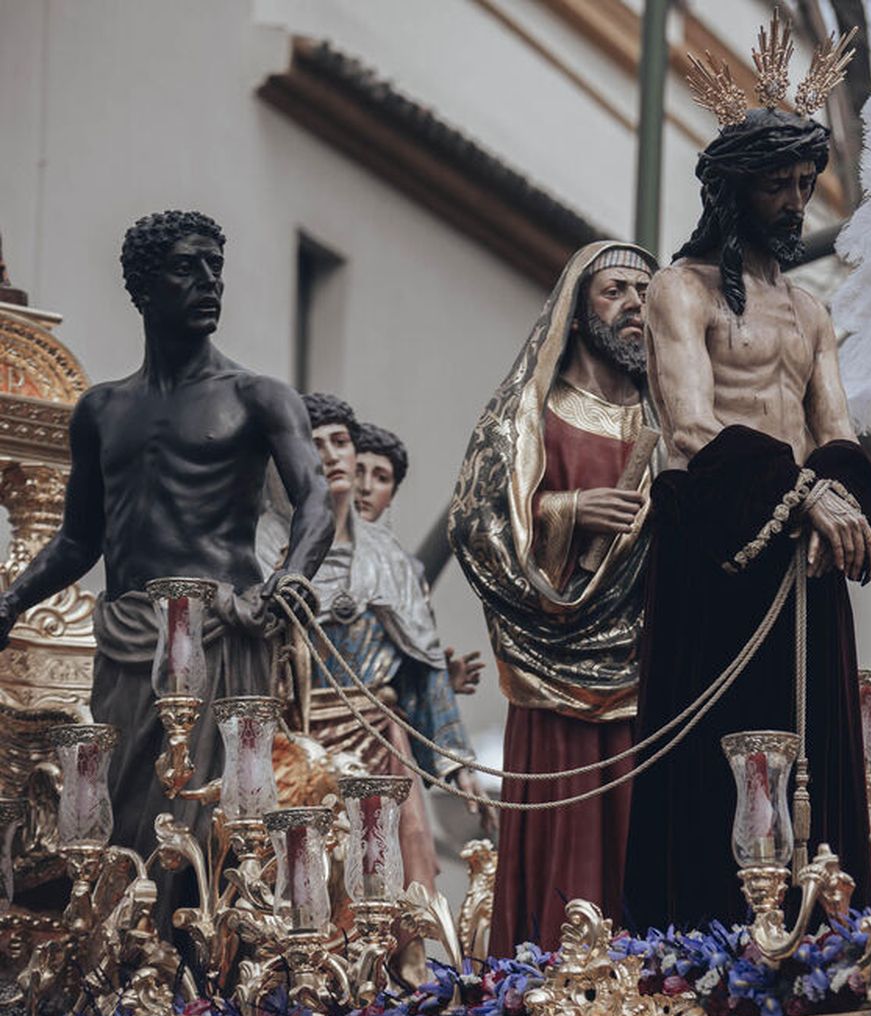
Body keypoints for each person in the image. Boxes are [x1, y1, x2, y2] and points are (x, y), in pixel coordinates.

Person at [623, 21, 871, 931]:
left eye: (804, 184)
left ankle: (822, 932)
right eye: (778, 184)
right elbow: (691, 426)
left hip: (804, 556)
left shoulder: (811, 312)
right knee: (713, 758)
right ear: (735, 188)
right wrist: (800, 492)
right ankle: (701, 944)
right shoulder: (681, 290)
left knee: (816, 754)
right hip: (720, 549)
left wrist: (840, 491)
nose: (795, 201)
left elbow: (837, 426)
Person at [0, 210, 333, 927]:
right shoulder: (101, 410)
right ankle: (123, 967)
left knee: (211, 818)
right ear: (144, 288)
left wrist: (292, 581)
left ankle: (202, 980)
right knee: (117, 819)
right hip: (128, 640)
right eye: (188, 267)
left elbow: (315, 502)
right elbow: (78, 541)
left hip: (219, 632)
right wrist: (11, 602)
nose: (209, 282)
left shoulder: (257, 396)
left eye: (216, 266)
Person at [451, 241, 657, 953]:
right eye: (616, 291)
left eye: (645, 292)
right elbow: (478, 523)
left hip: (649, 662)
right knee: (562, 825)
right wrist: (568, 511)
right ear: (576, 312)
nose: (636, 304)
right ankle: (545, 975)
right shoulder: (531, 415)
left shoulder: (665, 423)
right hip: (555, 659)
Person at [259, 393, 489, 891]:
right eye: (314, 443)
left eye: (340, 441)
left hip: (379, 744)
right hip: (297, 742)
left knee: (392, 881)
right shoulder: (263, 547)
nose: (332, 454)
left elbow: (422, 662)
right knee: (304, 884)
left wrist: (454, 759)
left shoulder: (391, 561)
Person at [356, 420, 483, 697]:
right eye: (358, 471)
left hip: (380, 722)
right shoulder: (307, 555)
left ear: (391, 495)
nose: (365, 487)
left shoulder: (405, 574)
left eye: (381, 477)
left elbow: (401, 671)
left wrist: (437, 687)